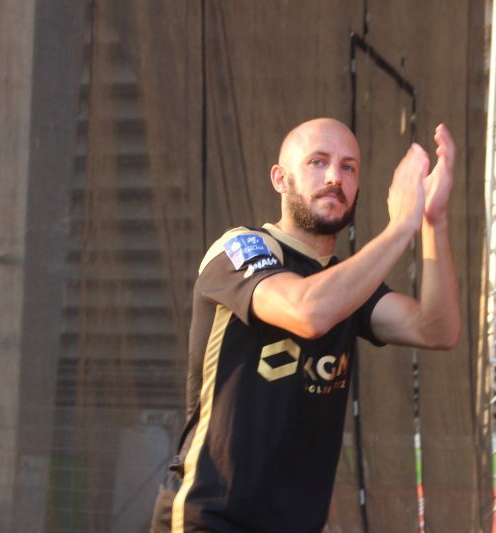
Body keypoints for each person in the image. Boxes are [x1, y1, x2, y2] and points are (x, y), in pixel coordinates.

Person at [150, 117, 460, 532]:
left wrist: (433, 223)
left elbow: (436, 329)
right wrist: (402, 225)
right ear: (280, 178)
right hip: (210, 519)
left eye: (349, 167)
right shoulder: (242, 247)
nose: (335, 177)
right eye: (318, 162)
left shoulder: (348, 284)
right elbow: (308, 312)